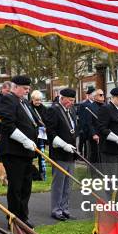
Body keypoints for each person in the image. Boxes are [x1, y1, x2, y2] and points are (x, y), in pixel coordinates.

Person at [0, 75, 40, 227]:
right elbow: (8, 125)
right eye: (25, 89)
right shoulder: (9, 99)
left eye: (28, 89)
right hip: (14, 152)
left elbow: (31, 122)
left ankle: (23, 216)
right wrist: (25, 140)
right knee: (15, 187)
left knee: (26, 186)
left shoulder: (24, 102)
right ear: (15, 87)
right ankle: (13, 219)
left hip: (26, 152)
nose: (27, 92)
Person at [45, 88, 78, 221]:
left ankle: (65, 208)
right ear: (62, 98)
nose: (71, 103)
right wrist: (63, 144)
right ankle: (56, 209)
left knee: (68, 184)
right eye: (69, 100)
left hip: (71, 152)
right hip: (59, 152)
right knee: (59, 183)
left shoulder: (72, 110)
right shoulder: (54, 110)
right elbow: (51, 132)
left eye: (73, 101)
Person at [97, 87, 118, 199]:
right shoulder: (106, 109)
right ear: (113, 97)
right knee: (111, 178)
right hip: (109, 150)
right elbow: (101, 128)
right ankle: (111, 201)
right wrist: (116, 138)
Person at [30, 90, 48, 180]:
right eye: (36, 100)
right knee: (31, 155)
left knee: (42, 155)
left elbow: (47, 120)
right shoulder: (29, 108)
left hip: (42, 135)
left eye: (40, 100)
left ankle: (42, 173)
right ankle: (32, 174)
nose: (38, 102)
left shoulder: (44, 108)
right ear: (32, 99)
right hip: (32, 134)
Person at [87, 89, 105, 175]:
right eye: (100, 95)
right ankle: (94, 173)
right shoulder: (90, 107)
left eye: (103, 94)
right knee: (94, 154)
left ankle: (101, 172)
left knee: (102, 154)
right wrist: (94, 134)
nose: (102, 96)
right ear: (95, 97)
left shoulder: (104, 106)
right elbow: (89, 123)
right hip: (95, 135)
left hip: (103, 134)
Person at [77, 86, 95, 158]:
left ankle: (87, 156)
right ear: (89, 95)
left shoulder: (96, 104)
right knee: (83, 142)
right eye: (92, 94)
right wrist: (82, 128)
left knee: (90, 145)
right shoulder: (83, 104)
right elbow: (81, 117)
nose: (94, 96)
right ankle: (81, 155)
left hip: (92, 128)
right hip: (84, 128)